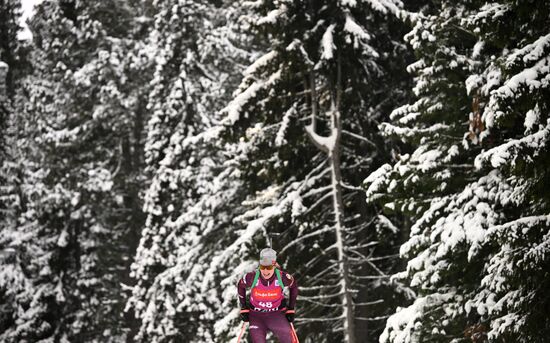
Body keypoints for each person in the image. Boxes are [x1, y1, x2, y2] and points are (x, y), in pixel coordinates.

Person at [237, 248, 298, 343]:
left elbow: (293, 286)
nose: (265, 271)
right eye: (262, 267)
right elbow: (241, 286)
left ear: (274, 265)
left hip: (276, 314)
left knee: (288, 338)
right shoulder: (252, 277)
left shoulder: (282, 277)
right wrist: (244, 307)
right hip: (256, 315)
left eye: (269, 267)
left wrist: (291, 308)